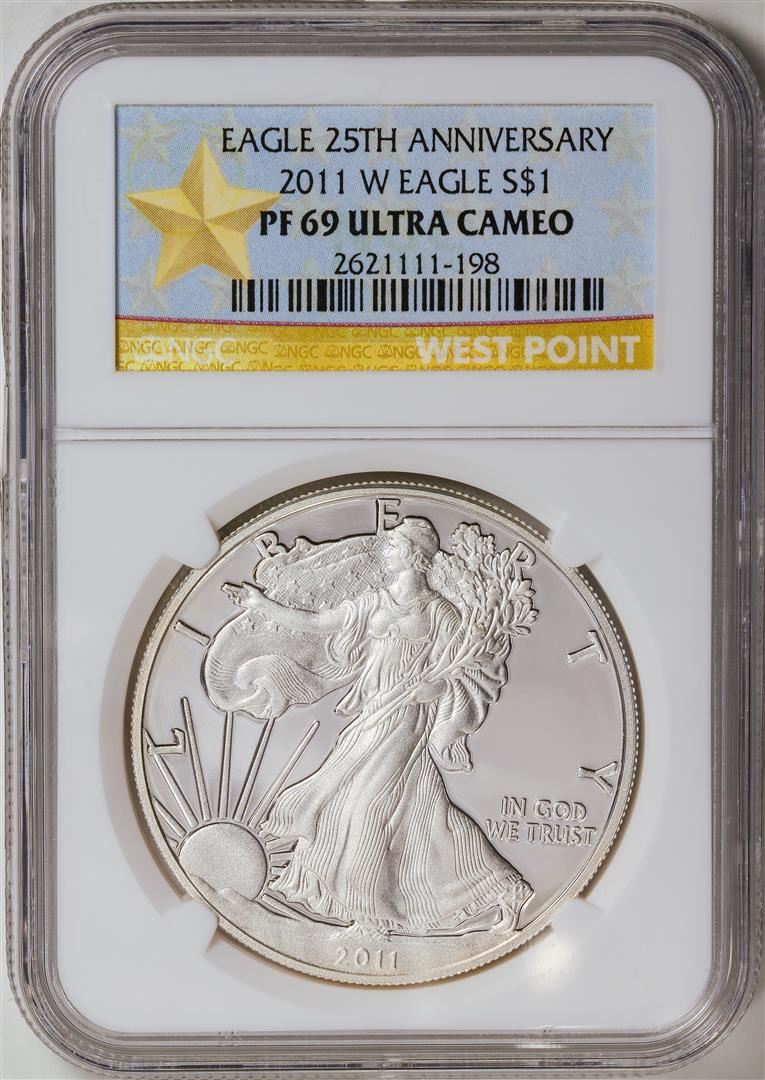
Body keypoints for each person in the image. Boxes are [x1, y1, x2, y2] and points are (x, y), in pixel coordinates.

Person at [228, 518, 533, 937]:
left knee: (366, 808)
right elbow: (320, 622)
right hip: (373, 713)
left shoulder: (440, 612)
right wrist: (262, 605)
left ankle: (371, 917)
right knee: (421, 813)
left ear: (413, 555)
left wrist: (433, 687)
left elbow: (465, 671)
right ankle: (502, 890)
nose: (385, 553)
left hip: (407, 719)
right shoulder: (375, 601)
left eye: (392, 547)